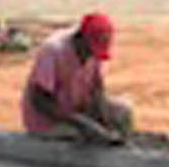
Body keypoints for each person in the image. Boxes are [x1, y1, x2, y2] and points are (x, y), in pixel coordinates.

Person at [21, 12, 134, 144]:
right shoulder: (53, 50)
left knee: (123, 111)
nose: (89, 56)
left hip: (77, 110)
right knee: (82, 136)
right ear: (80, 38)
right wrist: (79, 122)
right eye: (89, 50)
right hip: (48, 121)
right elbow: (40, 100)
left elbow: (97, 89)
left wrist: (103, 120)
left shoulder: (93, 52)